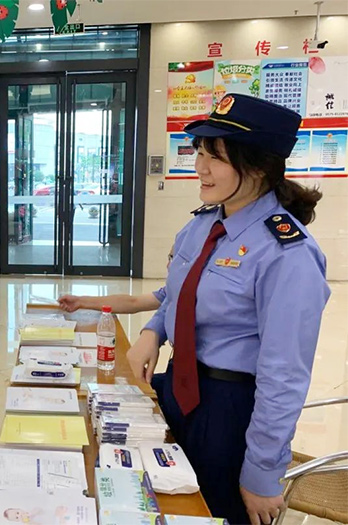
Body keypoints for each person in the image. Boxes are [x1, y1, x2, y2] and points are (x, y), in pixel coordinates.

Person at [126, 94, 330, 525]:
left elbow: (284, 375)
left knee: (213, 513)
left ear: (258, 165)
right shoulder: (201, 224)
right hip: (180, 389)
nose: (200, 167)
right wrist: (152, 332)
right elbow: (178, 296)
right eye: (200, 152)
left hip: (229, 411)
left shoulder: (286, 253)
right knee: (165, 505)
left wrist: (261, 474)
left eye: (215, 157)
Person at [57, 245, 173, 314]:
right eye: (169, 258)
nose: (168, 265)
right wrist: (79, 301)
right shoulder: (170, 291)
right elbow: (133, 303)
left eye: (173, 258)